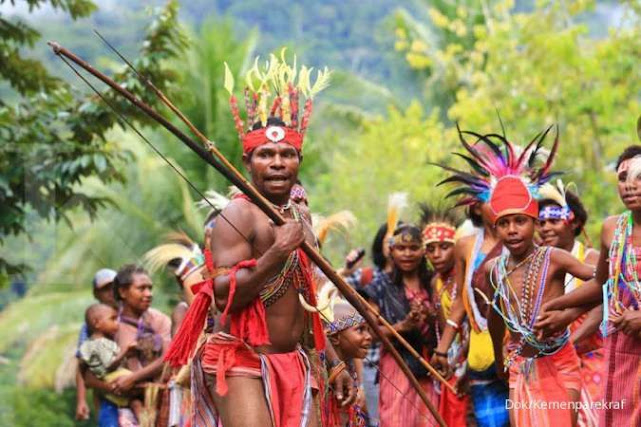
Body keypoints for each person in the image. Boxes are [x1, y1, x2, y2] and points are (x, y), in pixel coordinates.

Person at [165, 54, 355, 427]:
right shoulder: (237, 215)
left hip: (295, 360)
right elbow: (222, 295)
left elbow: (307, 302)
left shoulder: (300, 214)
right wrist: (280, 250)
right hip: (241, 359)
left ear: (299, 159)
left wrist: (334, 364)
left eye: (287, 154)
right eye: (266, 154)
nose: (277, 163)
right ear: (247, 162)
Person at [459, 127, 593, 426]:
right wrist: (498, 355)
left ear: (533, 222)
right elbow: (496, 315)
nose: (512, 229)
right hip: (520, 364)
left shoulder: (553, 257)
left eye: (520, 221)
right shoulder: (495, 269)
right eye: (504, 223)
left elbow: (602, 284)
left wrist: (565, 313)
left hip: (560, 361)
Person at [536, 146, 641, 426]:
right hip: (622, 350)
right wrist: (554, 306)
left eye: (639, 177)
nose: (630, 186)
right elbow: (601, 284)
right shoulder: (612, 229)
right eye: (622, 178)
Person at [431, 129, 510, 427]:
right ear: (476, 205)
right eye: (492, 199)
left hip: (517, 351)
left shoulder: (524, 242)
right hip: (480, 353)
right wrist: (443, 349)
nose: (500, 205)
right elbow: (460, 306)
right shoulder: (466, 245)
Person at [538, 182, 603, 426]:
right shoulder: (539, 265)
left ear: (574, 222)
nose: (545, 228)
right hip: (553, 364)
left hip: (592, 360)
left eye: (554, 221)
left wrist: (570, 345)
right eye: (541, 222)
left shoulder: (592, 259)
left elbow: (602, 303)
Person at [365, 223, 440, 427]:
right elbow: (369, 332)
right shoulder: (380, 286)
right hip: (396, 363)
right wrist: (401, 327)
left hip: (429, 365)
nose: (407, 254)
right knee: (397, 419)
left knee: (429, 419)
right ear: (391, 251)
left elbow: (445, 324)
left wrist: (431, 316)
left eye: (413, 248)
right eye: (401, 248)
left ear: (423, 251)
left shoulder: (433, 283)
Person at [84, 264, 172, 427]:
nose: (148, 294)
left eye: (150, 288)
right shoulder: (110, 327)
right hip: (122, 409)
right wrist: (113, 387)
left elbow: (168, 358)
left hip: (161, 404)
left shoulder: (160, 320)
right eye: (141, 289)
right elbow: (89, 377)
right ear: (123, 292)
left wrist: (133, 379)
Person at [420, 203, 469, 427]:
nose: (436, 255)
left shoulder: (466, 275)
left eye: (444, 247)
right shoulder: (435, 281)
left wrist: (459, 360)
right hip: (448, 361)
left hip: (469, 361)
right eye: (431, 249)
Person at [79, 303, 143, 421]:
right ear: (97, 323)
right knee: (139, 389)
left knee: (136, 403)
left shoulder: (98, 342)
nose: (116, 323)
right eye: (112, 319)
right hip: (111, 379)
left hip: (109, 383)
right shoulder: (98, 344)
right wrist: (125, 351)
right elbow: (109, 365)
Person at [318, 287, 372, 427]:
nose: (369, 337)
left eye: (368, 330)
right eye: (360, 330)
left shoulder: (350, 369)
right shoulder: (319, 377)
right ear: (335, 338)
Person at [75, 268, 119, 426]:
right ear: (96, 294)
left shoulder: (128, 314)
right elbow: (82, 364)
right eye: (104, 289)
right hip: (105, 391)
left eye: (113, 287)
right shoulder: (89, 327)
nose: (110, 292)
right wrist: (81, 400)